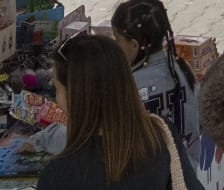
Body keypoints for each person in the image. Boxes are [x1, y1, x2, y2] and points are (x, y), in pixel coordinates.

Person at [39, 34, 204, 190]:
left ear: (75, 97)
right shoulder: (160, 135)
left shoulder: (58, 176)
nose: (56, 99)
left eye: (57, 88)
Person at [110, 0, 198, 147]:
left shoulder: (129, 85)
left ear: (134, 44)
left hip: (154, 169)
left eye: (117, 40)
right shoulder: (182, 67)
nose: (115, 46)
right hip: (189, 166)